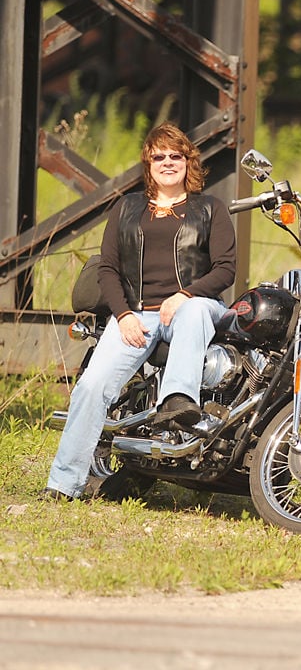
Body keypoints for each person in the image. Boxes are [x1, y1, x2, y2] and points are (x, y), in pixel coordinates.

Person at [43, 122, 237, 501]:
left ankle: (176, 401)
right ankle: (63, 484)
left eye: (175, 156)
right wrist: (124, 315)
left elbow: (226, 268)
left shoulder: (209, 208)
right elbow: (108, 269)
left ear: (188, 161)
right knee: (92, 386)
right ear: (148, 165)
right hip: (138, 316)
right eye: (158, 157)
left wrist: (186, 294)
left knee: (196, 310)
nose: (167, 162)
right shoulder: (127, 208)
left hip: (194, 307)